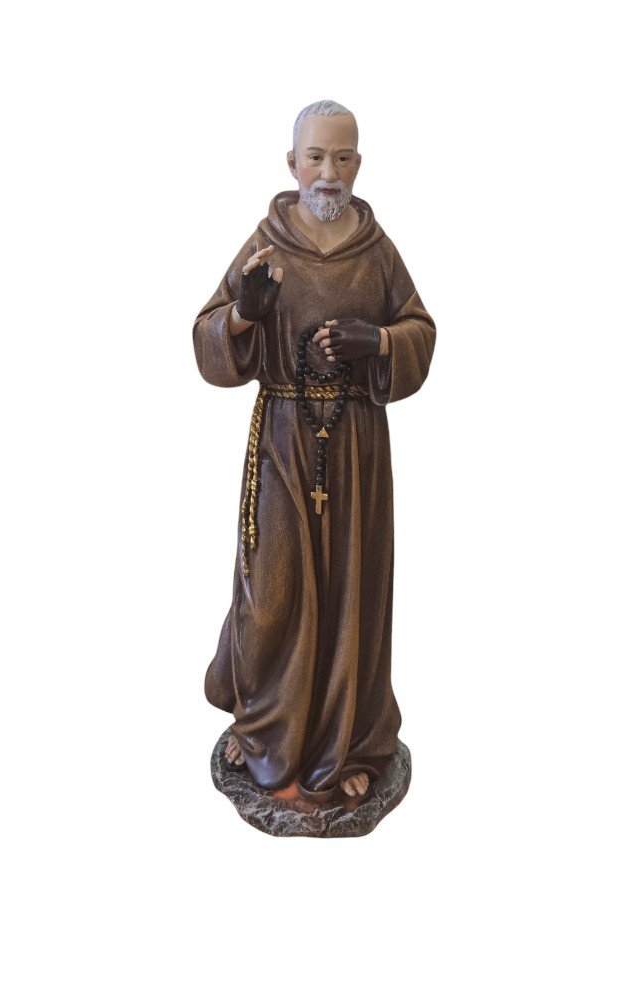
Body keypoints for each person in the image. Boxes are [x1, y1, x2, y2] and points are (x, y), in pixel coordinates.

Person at [193, 99, 436, 803]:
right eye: (316, 157)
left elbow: (420, 329)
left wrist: (378, 341)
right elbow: (208, 334)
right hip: (283, 438)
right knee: (271, 594)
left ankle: (348, 744)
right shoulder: (267, 243)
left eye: (343, 157)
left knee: (350, 591)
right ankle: (263, 728)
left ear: (358, 164)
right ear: (292, 164)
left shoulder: (375, 248)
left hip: (356, 446)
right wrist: (246, 314)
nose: (329, 171)